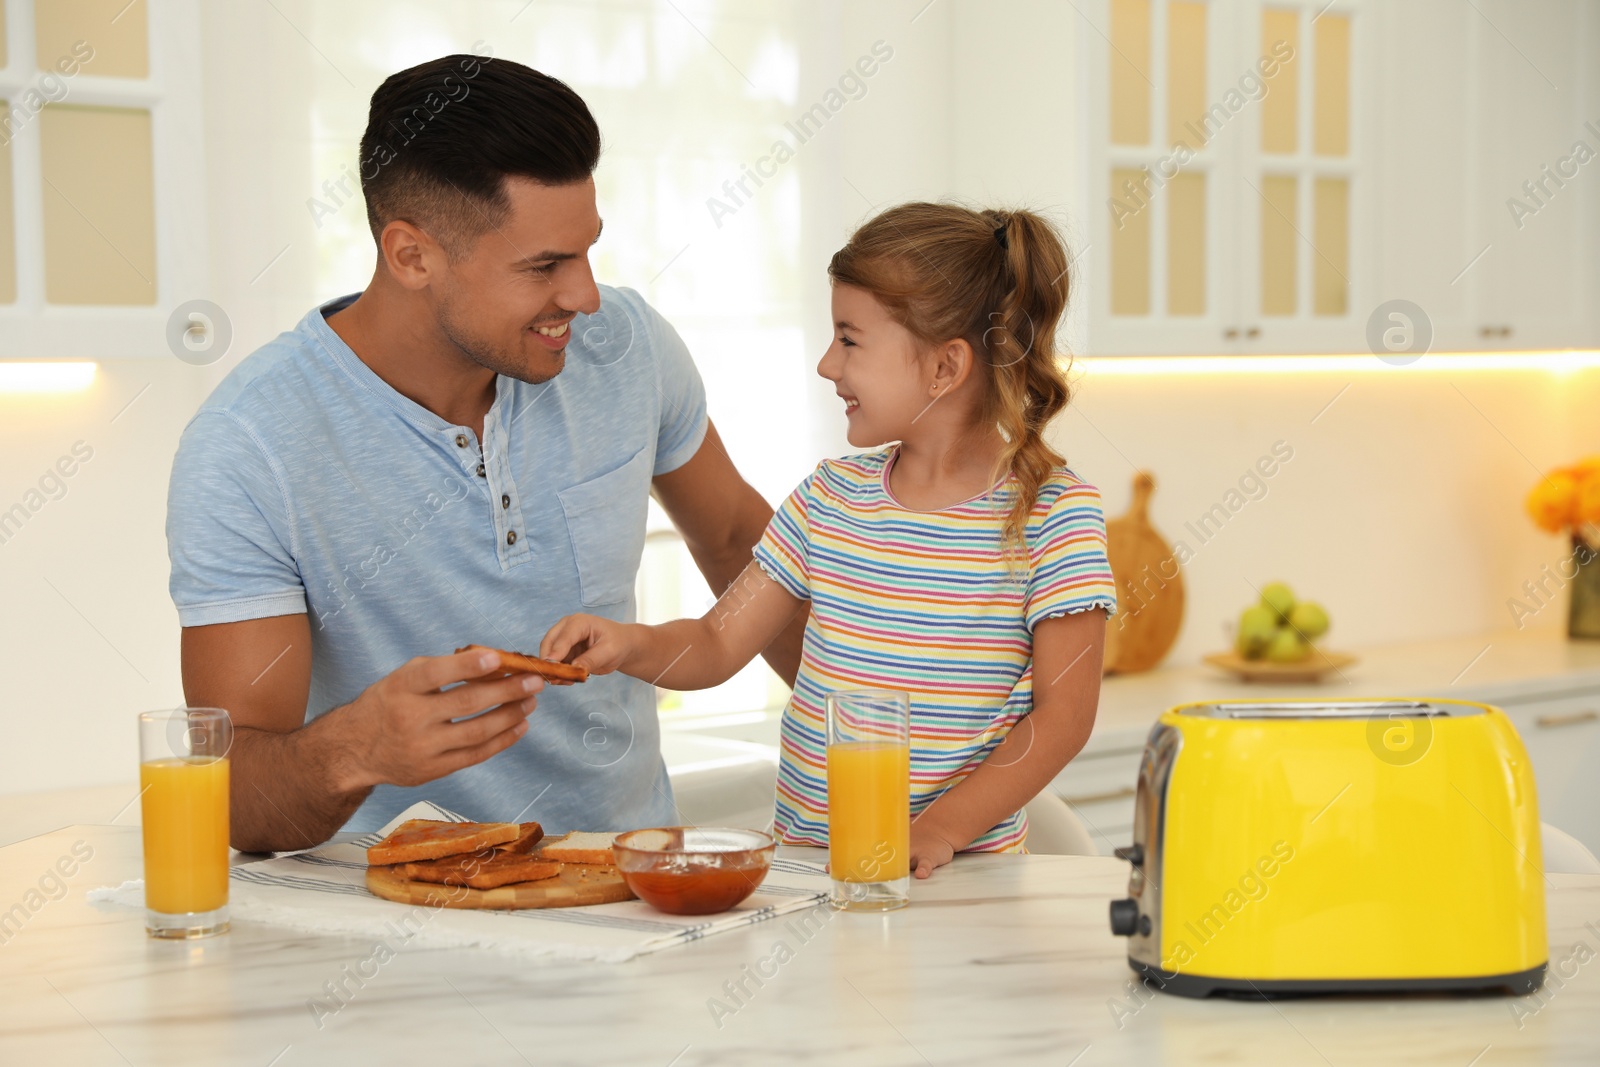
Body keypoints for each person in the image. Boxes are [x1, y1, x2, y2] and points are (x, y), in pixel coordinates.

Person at [166, 55, 803, 852]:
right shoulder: (251, 442)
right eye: (543, 266)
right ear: (410, 255)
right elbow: (231, 800)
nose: (586, 295)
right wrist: (359, 747)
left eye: (586, 251)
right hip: (382, 922)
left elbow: (741, 543)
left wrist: (887, 750)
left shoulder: (625, 347)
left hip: (635, 889)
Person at [541, 202, 1117, 878]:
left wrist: (938, 830)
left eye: (849, 339)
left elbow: (1063, 717)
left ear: (944, 368)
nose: (825, 363)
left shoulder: (1054, 515)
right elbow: (718, 640)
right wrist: (628, 644)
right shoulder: (828, 500)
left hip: (961, 878)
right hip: (817, 874)